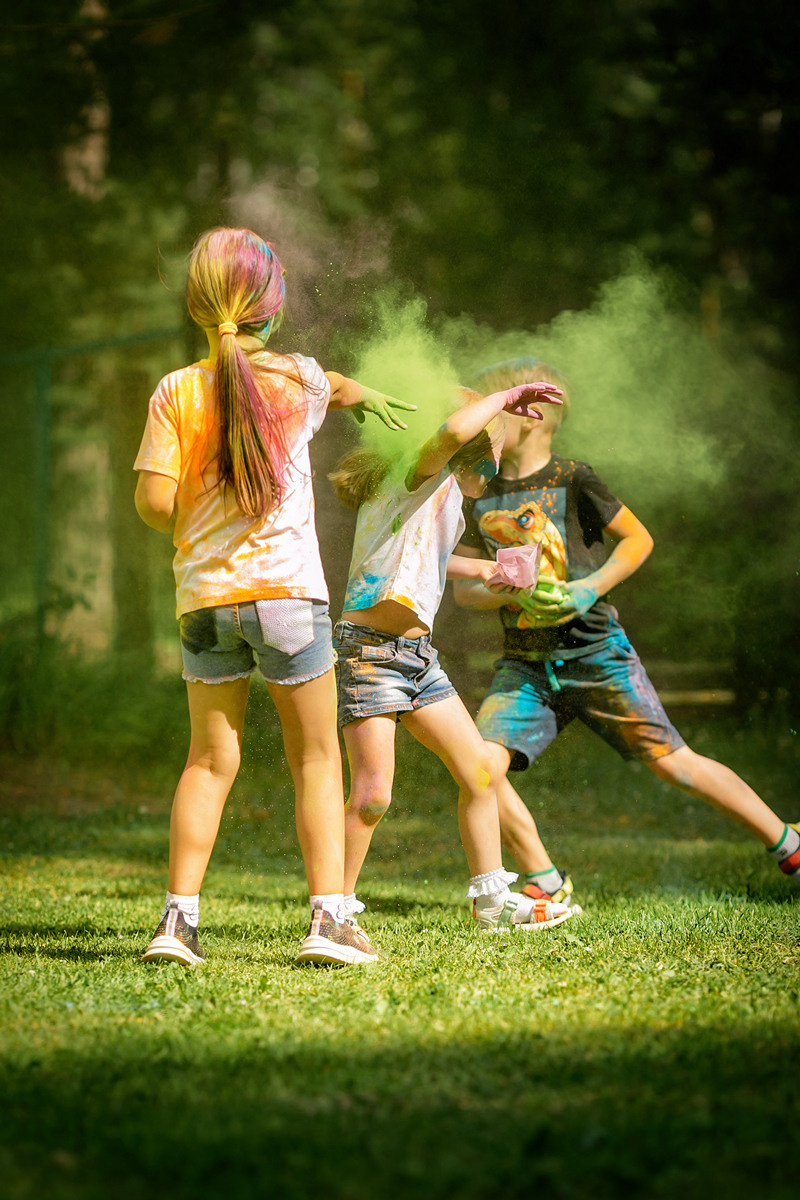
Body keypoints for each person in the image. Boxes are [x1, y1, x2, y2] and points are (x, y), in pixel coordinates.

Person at [133, 226, 415, 968]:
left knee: (207, 762)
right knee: (316, 759)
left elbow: (155, 504)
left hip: (206, 602)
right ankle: (329, 921)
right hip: (289, 599)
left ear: (197, 307)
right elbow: (336, 385)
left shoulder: (175, 391)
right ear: (275, 308)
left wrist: (195, 505)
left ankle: (177, 924)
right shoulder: (300, 379)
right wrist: (365, 395)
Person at [452, 356, 800, 896]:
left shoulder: (574, 478)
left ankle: (788, 843)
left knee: (675, 764)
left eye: (498, 403)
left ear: (537, 415)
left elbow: (639, 539)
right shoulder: (479, 493)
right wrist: (498, 586)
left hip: (597, 654)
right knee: (478, 767)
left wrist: (588, 588)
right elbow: (463, 591)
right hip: (525, 667)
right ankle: (543, 878)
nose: (483, 413)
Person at [328, 379, 577, 933]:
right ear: (468, 449)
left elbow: (418, 553)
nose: (496, 467)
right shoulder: (418, 471)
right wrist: (505, 398)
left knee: (480, 773)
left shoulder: (440, 496)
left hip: (418, 658)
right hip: (370, 655)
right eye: (494, 452)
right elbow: (451, 430)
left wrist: (485, 568)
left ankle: (492, 903)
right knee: (372, 796)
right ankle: (333, 912)